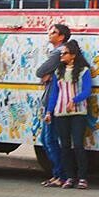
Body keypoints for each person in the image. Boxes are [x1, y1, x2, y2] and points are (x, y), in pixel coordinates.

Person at [45, 39, 92, 189]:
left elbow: (87, 90)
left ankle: (83, 177)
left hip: (78, 112)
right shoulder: (59, 72)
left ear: (73, 55)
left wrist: (75, 100)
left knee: (78, 145)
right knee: (64, 146)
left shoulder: (84, 71)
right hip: (61, 113)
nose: (61, 56)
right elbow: (54, 94)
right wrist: (49, 112)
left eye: (64, 53)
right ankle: (70, 176)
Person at [35, 23, 71, 187]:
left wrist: (46, 74)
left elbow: (40, 71)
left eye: (54, 32)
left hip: (53, 103)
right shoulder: (61, 53)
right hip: (52, 101)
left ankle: (60, 175)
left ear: (62, 37)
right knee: (47, 139)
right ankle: (57, 174)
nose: (50, 34)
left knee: (49, 139)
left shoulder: (58, 53)